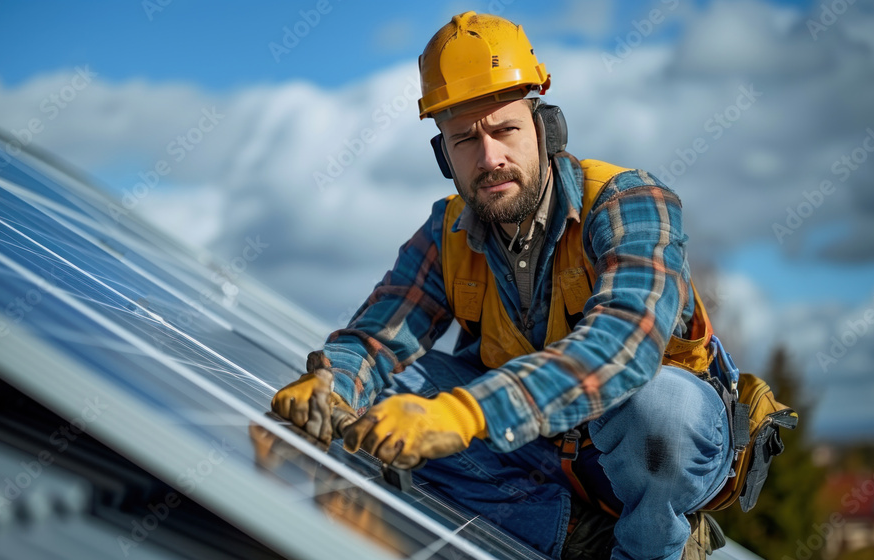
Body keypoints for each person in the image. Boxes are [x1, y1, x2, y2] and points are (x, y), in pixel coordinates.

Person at [271, 11, 734, 560]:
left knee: (663, 412)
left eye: (505, 129)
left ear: (546, 127)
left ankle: (655, 545)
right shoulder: (446, 232)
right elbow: (373, 339)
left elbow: (623, 343)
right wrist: (332, 386)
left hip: (647, 448)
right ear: (444, 155)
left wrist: (465, 414)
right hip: (535, 444)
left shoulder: (628, 203)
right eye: (465, 139)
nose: (490, 158)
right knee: (382, 401)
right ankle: (574, 537)